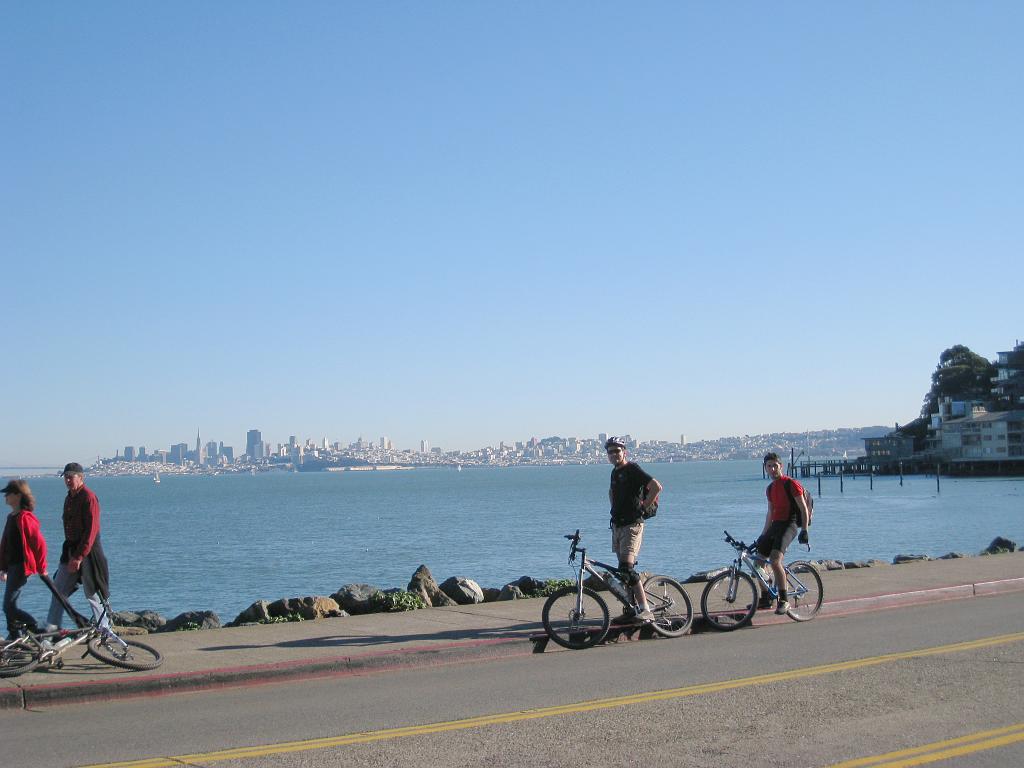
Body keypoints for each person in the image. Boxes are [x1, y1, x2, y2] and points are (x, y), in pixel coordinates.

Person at [44, 463, 112, 632]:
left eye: (70, 476)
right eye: (65, 477)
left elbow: (91, 532)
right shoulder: (69, 498)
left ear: (81, 478)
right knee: (58, 591)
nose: (67, 480)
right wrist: (71, 555)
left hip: (88, 553)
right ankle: (51, 632)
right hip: (69, 551)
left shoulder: (89, 497)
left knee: (92, 593)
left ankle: (104, 630)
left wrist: (79, 557)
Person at [605, 436, 662, 624]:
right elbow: (612, 493)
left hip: (632, 525)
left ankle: (645, 609)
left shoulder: (632, 469)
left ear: (624, 452)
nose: (613, 454)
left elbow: (655, 486)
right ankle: (630, 609)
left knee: (628, 570)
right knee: (622, 572)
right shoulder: (615, 472)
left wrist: (643, 508)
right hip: (618, 525)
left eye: (617, 451)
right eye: (610, 451)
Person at [756, 452, 810, 615]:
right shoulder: (770, 488)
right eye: (769, 466)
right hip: (775, 525)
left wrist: (805, 530)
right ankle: (766, 596)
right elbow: (770, 513)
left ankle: (784, 600)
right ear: (765, 468)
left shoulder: (791, 484)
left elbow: (803, 508)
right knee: (758, 562)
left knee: (775, 560)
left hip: (790, 524)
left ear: (781, 466)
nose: (772, 469)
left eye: (775, 465)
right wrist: (763, 534)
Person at [0, 479, 48, 640]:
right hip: (12, 566)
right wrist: (3, 568)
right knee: (9, 606)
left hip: (21, 567)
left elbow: (39, 543)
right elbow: (6, 545)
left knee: (9, 606)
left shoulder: (25, 518)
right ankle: (15, 637)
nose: (5, 496)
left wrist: (42, 568)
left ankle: (41, 631)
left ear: (18, 496)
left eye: (8, 493)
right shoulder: (11, 517)